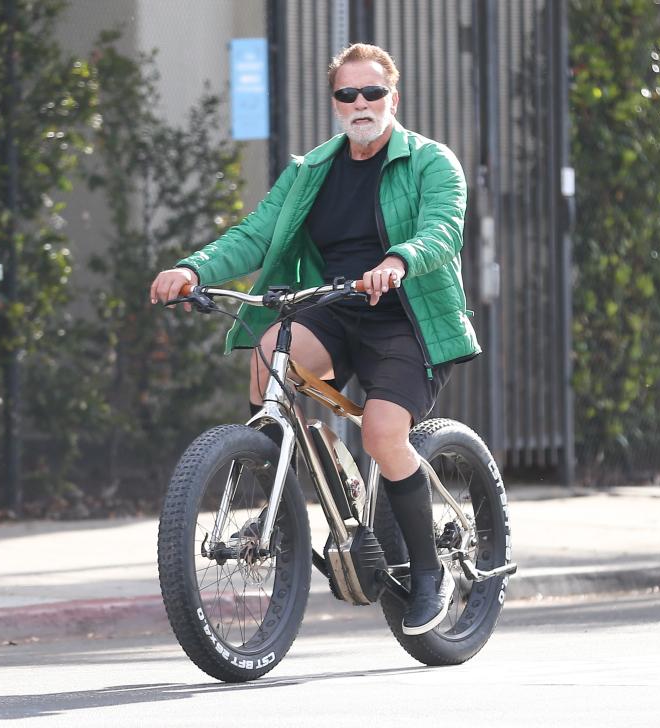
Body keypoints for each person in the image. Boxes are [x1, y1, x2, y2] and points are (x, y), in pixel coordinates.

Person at [150, 43, 479, 635]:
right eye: (347, 94)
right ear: (334, 103)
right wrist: (195, 269)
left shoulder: (431, 162)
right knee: (268, 355)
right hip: (332, 306)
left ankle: (429, 577)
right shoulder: (310, 172)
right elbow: (255, 233)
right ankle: (279, 509)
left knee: (382, 432)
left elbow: (442, 231)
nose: (360, 103)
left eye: (372, 92)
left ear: (392, 98)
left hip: (406, 314)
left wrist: (400, 260)